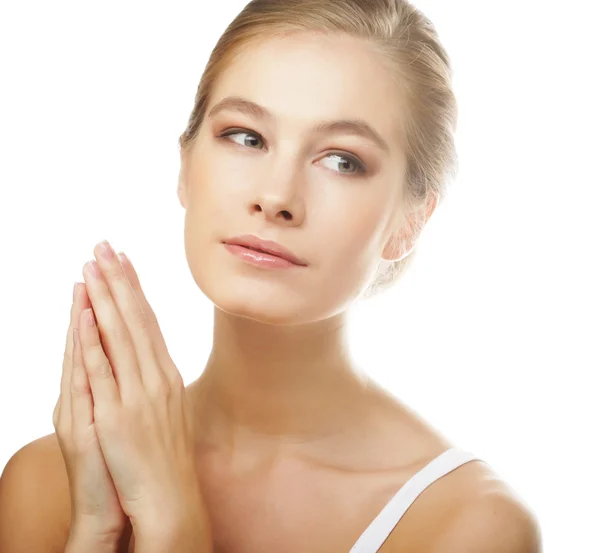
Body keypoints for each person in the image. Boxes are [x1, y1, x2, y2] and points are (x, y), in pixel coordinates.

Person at [0, 1, 541, 552]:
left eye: (341, 161)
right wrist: (96, 528)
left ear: (410, 221)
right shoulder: (51, 482)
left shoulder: (466, 525)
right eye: (246, 137)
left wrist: (174, 527)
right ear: (185, 167)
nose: (276, 197)